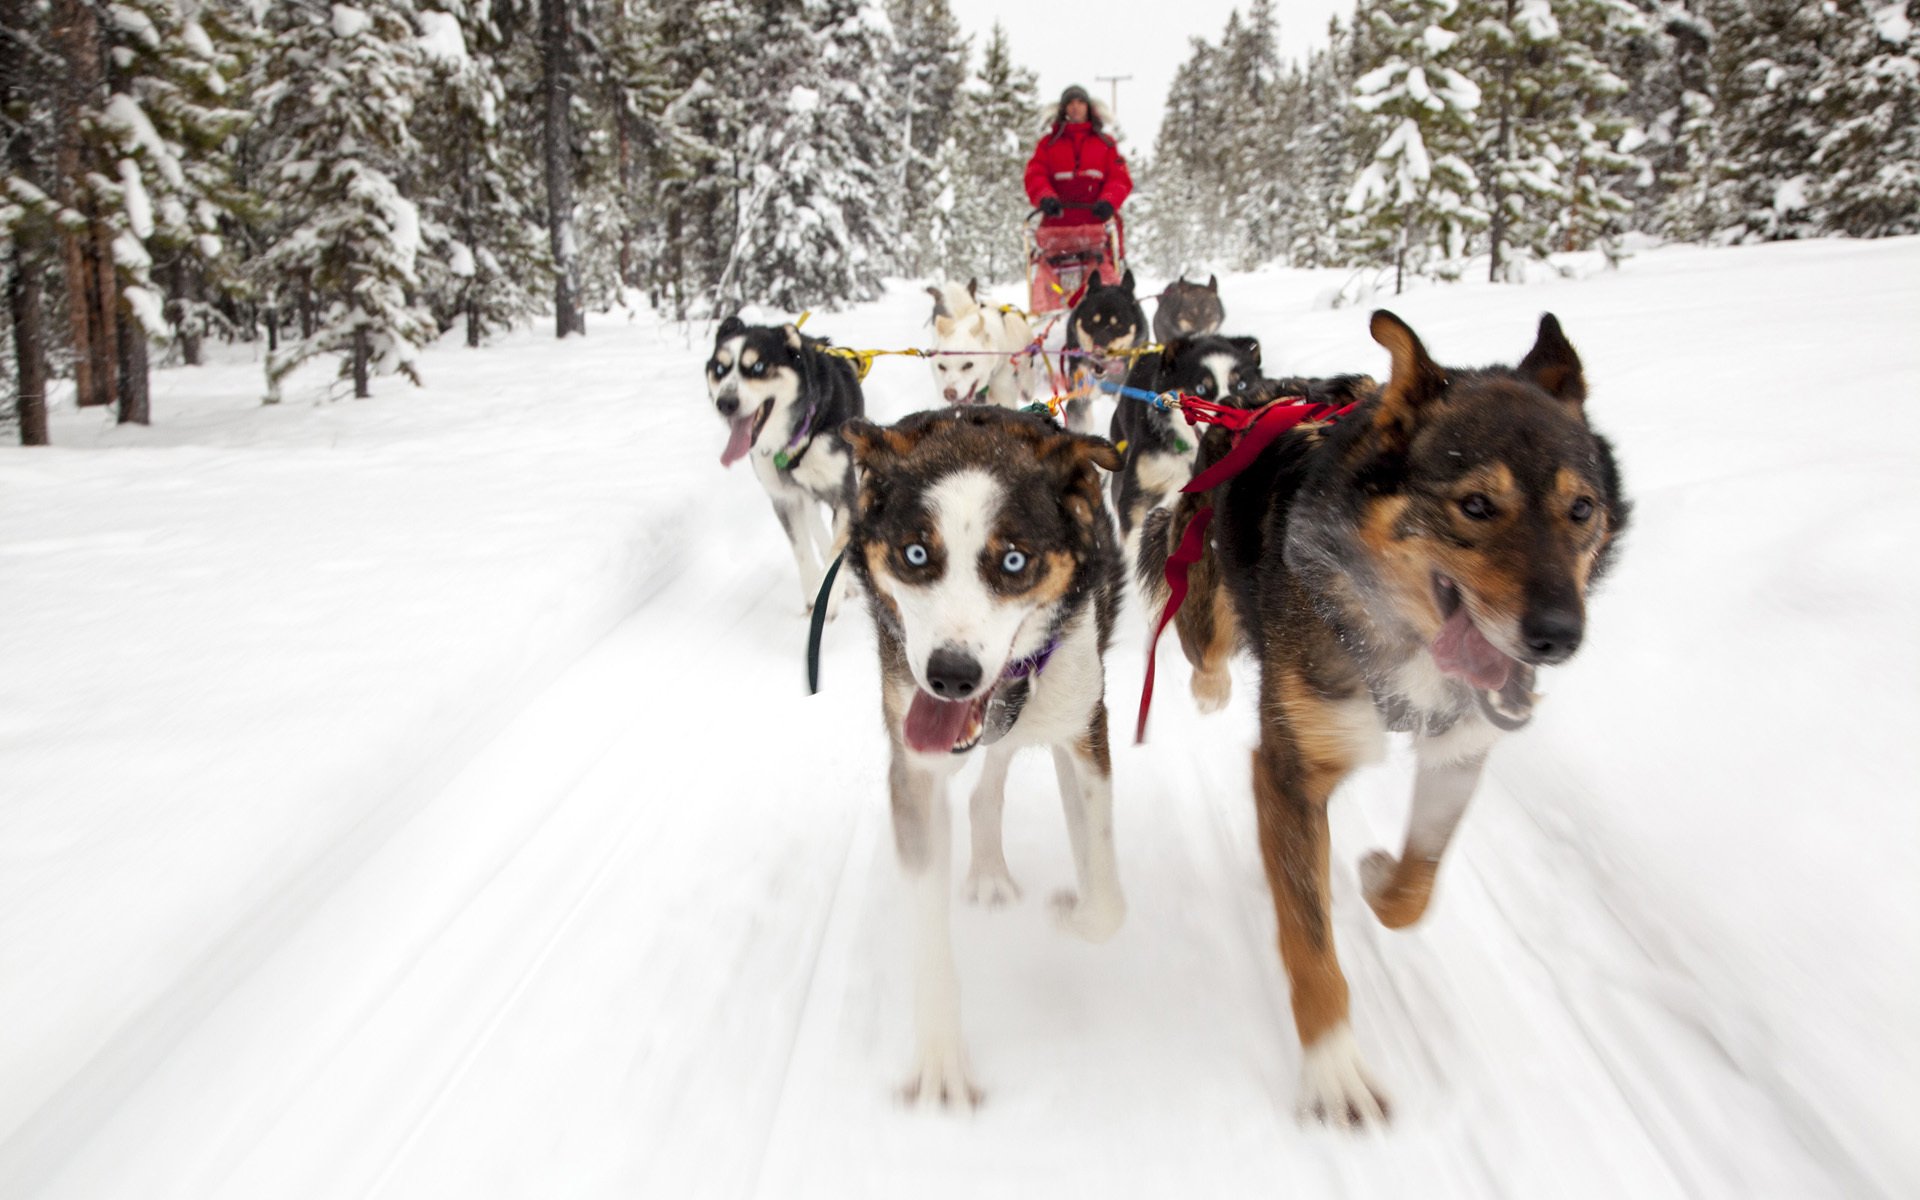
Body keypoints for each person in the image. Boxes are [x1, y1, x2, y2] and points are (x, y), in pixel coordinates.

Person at [1024, 84, 1132, 228]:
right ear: (1063, 109)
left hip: (1099, 223)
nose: (1075, 107)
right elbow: (1035, 174)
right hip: (1057, 225)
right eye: (1070, 103)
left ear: (1088, 107)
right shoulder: (1048, 144)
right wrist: (1045, 197)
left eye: (1080, 102)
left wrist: (1109, 200)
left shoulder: (1106, 143)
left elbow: (1119, 178)